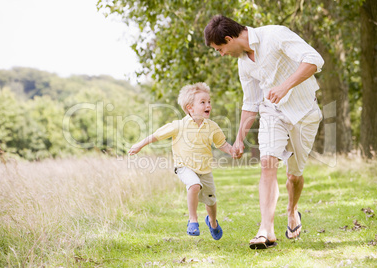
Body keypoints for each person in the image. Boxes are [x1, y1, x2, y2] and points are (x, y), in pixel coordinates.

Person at [204, 15, 324, 249]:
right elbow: (251, 102)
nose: (221, 54)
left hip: (304, 111)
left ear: (229, 39)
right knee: (268, 163)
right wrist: (239, 139)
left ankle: (292, 210)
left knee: (294, 176)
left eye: (220, 49)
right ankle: (266, 230)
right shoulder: (243, 63)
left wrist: (284, 86)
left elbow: (314, 59)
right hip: (273, 113)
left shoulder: (275, 34)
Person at [128, 82, 233, 240]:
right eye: (203, 102)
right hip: (184, 166)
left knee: (211, 201)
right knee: (194, 185)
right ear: (190, 108)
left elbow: (222, 144)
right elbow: (157, 135)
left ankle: (212, 222)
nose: (208, 105)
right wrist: (140, 145)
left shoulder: (212, 127)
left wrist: (233, 151)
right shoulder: (179, 126)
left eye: (209, 102)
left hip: (205, 169)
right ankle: (193, 220)